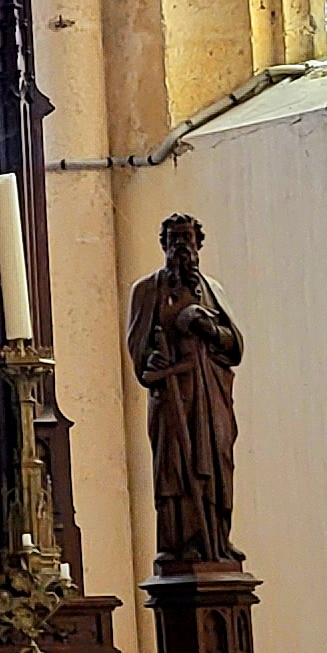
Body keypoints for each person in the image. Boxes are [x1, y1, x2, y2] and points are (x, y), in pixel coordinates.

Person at [125, 213, 243, 572]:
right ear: (164, 245)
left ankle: (217, 541)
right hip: (172, 396)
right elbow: (138, 347)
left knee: (218, 462)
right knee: (175, 467)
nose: (181, 247)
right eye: (174, 239)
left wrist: (208, 328)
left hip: (211, 394)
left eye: (187, 239)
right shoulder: (147, 290)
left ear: (198, 244)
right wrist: (153, 359)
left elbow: (234, 346)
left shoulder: (212, 290)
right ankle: (178, 543)